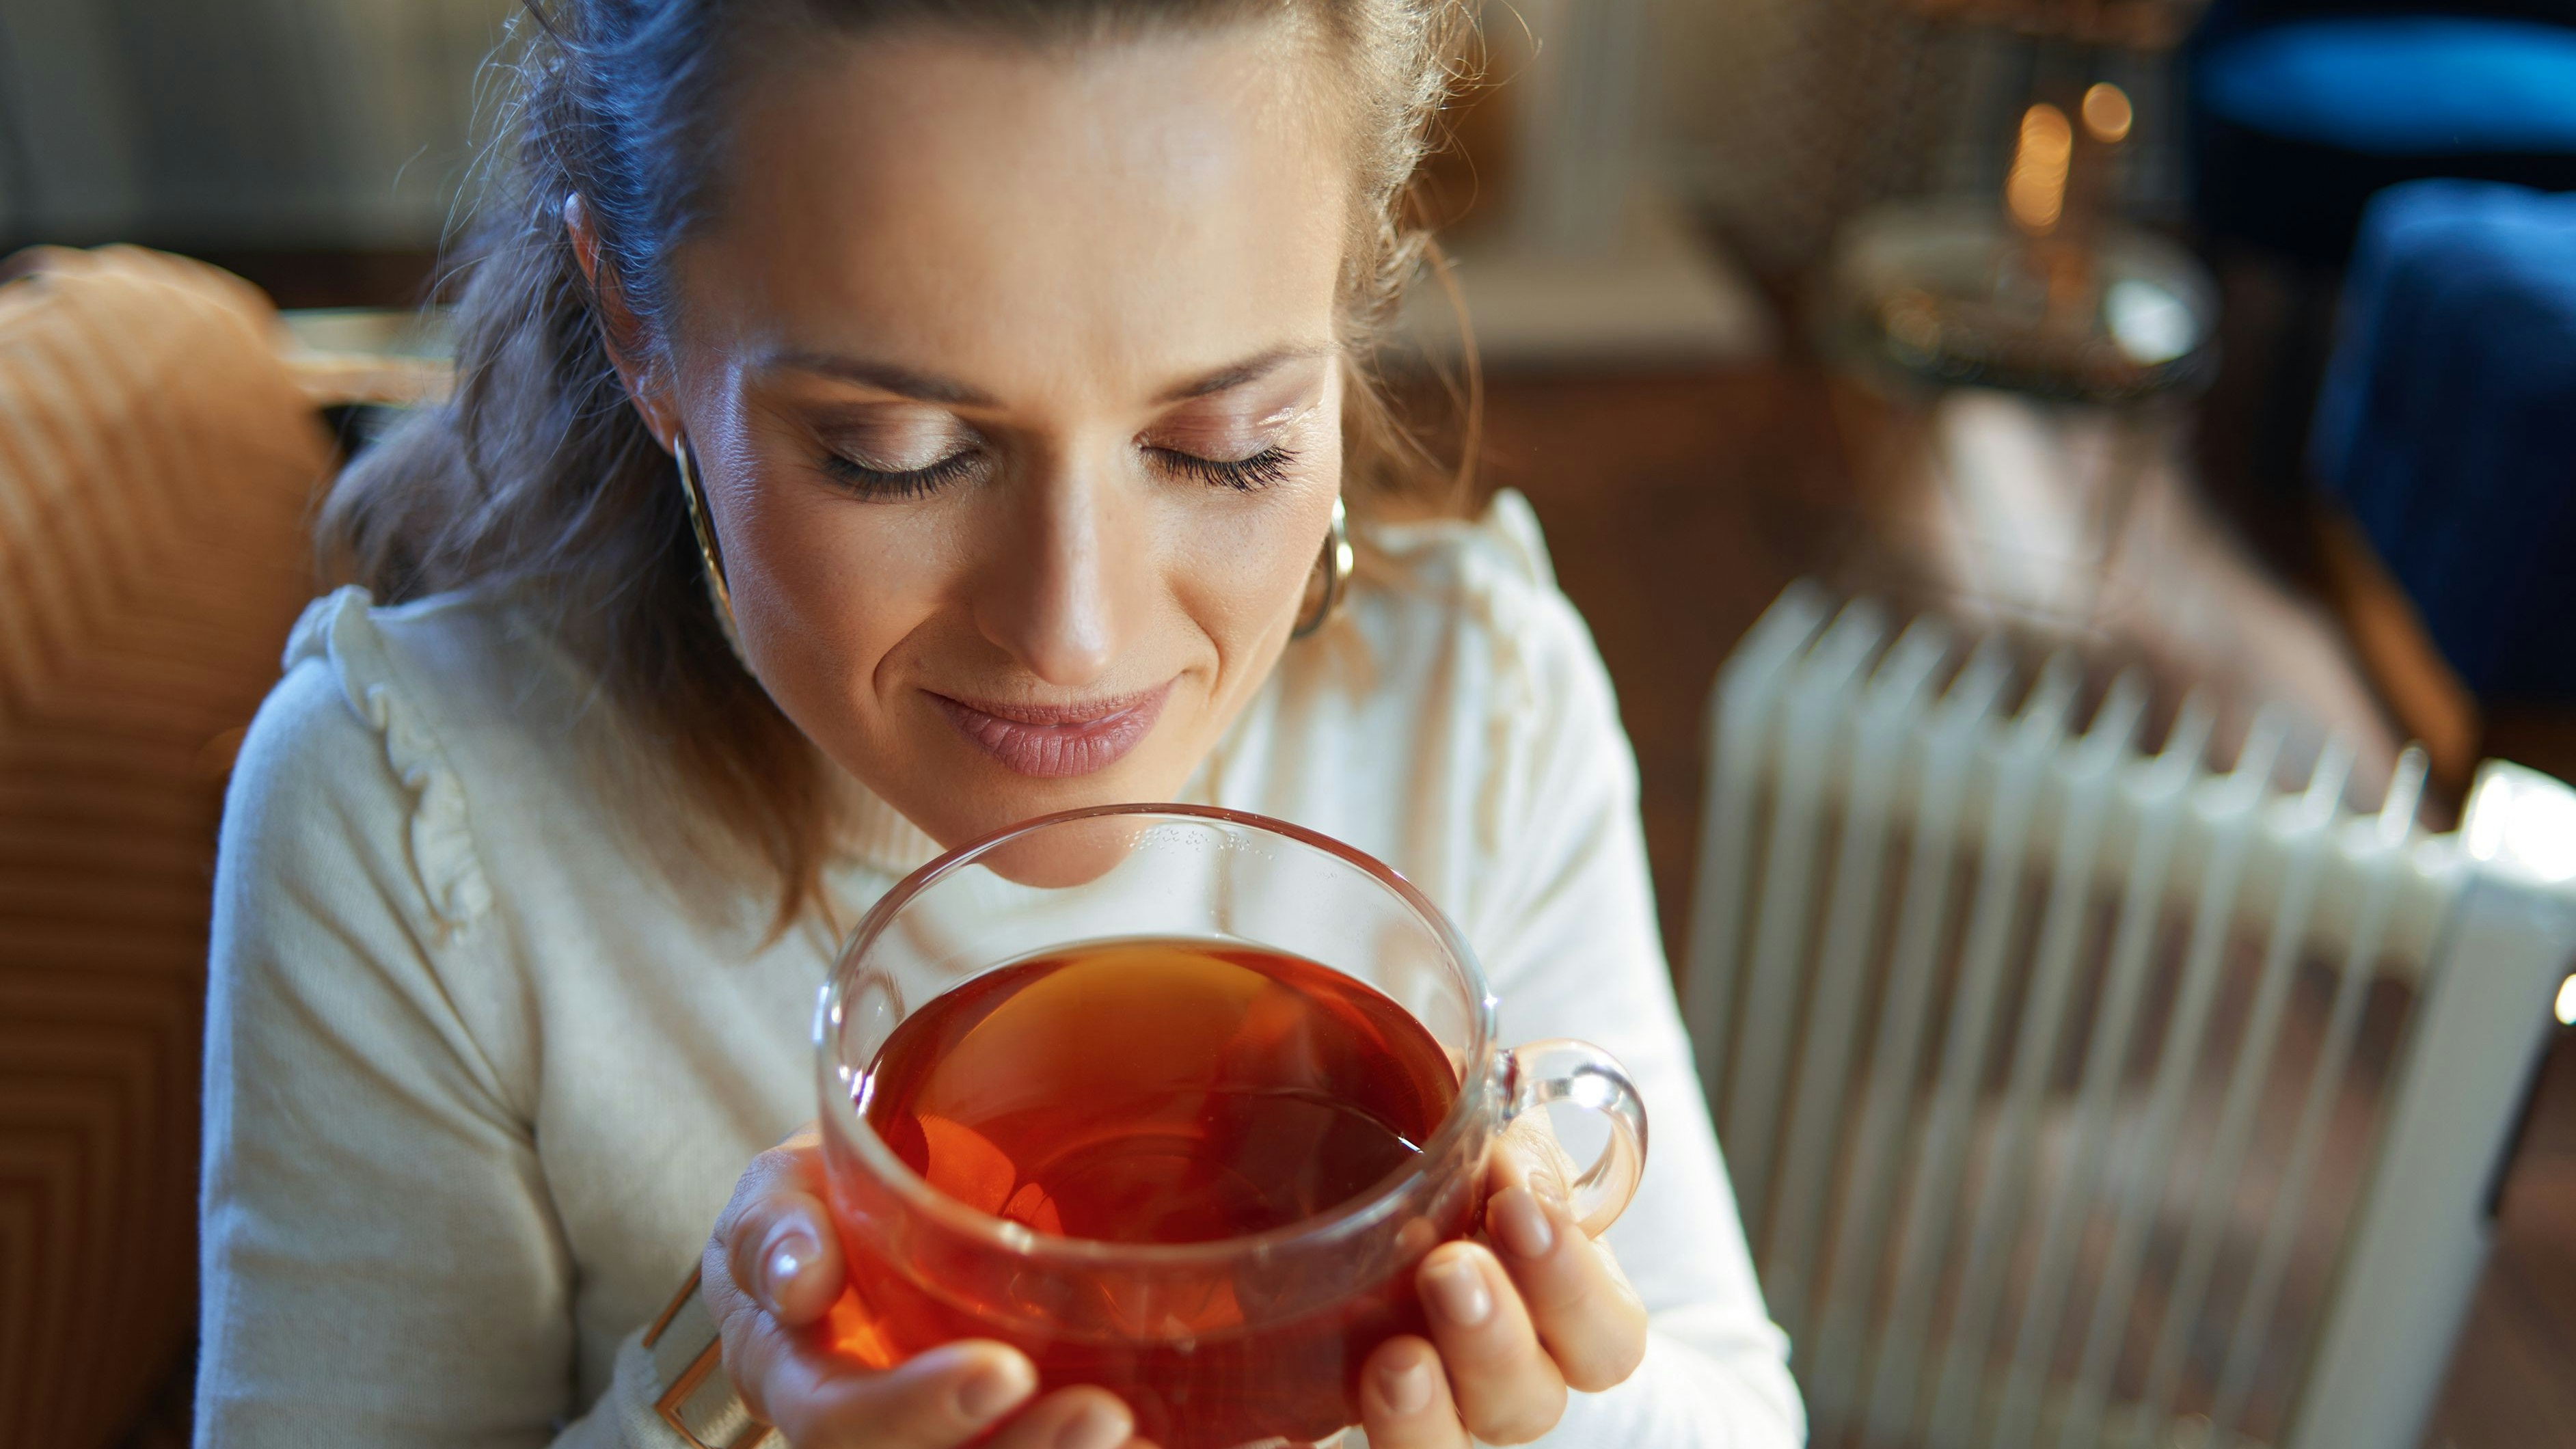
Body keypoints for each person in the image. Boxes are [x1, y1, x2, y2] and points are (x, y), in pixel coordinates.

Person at [198, 1, 1803, 1445]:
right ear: (637, 327)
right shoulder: (410, 831)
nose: (1075, 633)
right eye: (895, 452)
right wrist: (723, 1399)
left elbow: (1729, 1409)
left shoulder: (1476, 707)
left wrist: (1560, 1409)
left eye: (1230, 445)